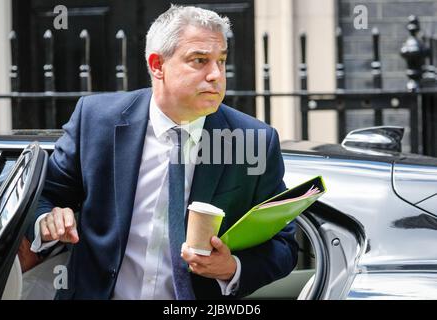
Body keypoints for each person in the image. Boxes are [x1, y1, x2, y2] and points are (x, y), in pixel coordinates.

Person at [25, 5, 298, 300]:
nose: (216, 74)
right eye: (200, 61)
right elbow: (42, 196)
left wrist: (231, 267)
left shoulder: (254, 140)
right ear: (157, 65)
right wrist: (48, 220)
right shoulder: (96, 120)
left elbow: (284, 244)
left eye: (221, 60)